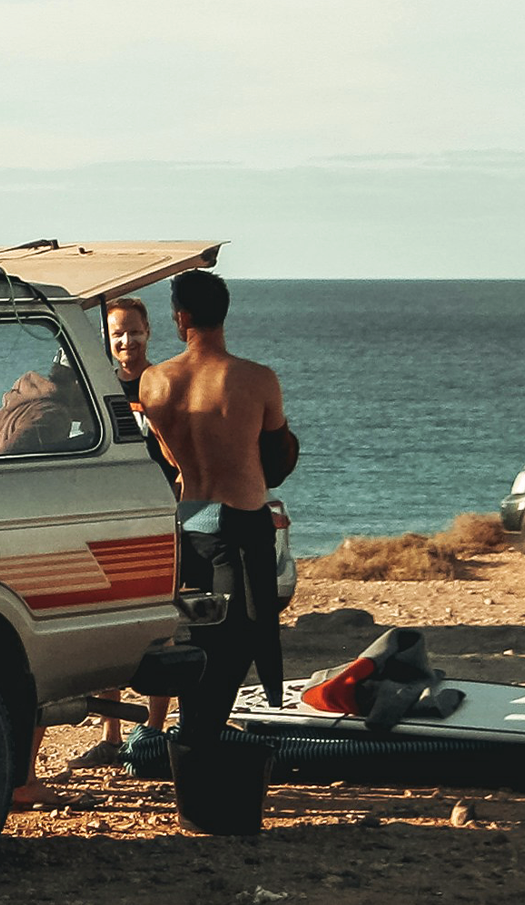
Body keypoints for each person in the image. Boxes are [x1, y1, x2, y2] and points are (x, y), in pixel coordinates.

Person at [138, 270, 296, 750]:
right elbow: (277, 459)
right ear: (222, 313)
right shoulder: (256, 379)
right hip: (241, 517)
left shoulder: (155, 381)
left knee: (197, 633)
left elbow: (167, 457)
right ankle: (202, 737)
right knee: (242, 637)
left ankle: (194, 730)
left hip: (190, 517)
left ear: (181, 317)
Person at [66, 296, 182, 769]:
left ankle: (152, 731)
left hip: (158, 517)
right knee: (111, 621)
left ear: (149, 332)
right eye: (116, 334)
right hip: (111, 519)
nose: (126, 342)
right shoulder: (99, 388)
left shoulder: (162, 385)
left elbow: (181, 459)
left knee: (159, 625)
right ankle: (112, 736)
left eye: (133, 332)